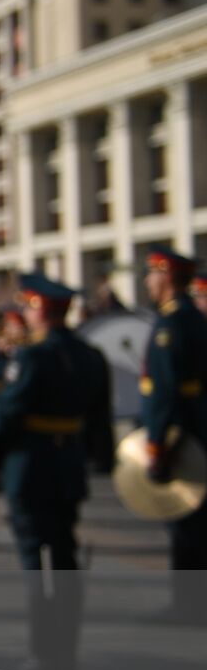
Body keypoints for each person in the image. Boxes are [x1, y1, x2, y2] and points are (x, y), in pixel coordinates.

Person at [0, 273, 112, 670]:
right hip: (68, 468)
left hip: (32, 467)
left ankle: (48, 657)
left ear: (40, 309)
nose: (22, 312)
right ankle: (65, 652)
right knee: (64, 558)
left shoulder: (33, 357)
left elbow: (9, 411)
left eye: (26, 305)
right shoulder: (89, 354)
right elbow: (100, 420)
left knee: (38, 563)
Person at [138, 248, 207, 623]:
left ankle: (188, 606)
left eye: (151, 275)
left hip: (180, 431)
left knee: (184, 522)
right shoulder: (192, 318)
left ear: (165, 277)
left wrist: (155, 445)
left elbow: (164, 391)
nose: (148, 282)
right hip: (196, 425)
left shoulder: (171, 323)